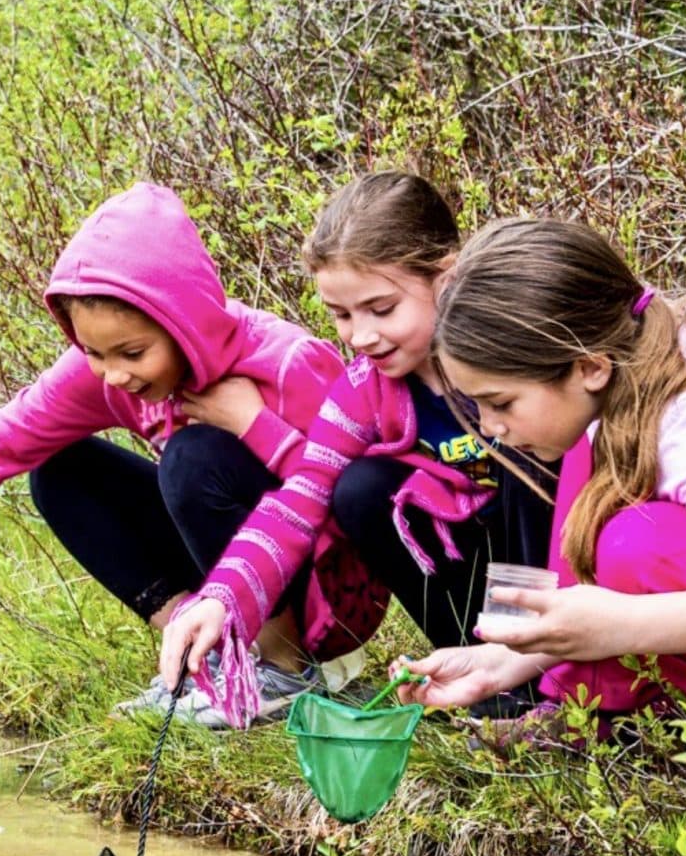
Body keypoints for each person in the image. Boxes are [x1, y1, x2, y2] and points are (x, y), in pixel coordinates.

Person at [0, 182, 389, 727]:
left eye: (133, 353)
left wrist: (254, 427)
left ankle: (284, 671)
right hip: (226, 574)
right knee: (62, 470)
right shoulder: (109, 375)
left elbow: (351, 500)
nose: (114, 374)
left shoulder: (286, 362)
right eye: (93, 352)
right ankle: (204, 658)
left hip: (328, 584)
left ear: (185, 325)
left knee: (193, 458)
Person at [390, 217, 686, 720]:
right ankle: (586, 702)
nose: (490, 429)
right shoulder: (636, 358)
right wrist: (502, 661)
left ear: (589, 367)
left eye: (501, 403)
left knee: (639, 546)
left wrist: (623, 624)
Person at [162, 173, 557, 729]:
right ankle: (477, 673)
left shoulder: (521, 355)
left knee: (526, 456)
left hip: (560, 556)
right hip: (472, 571)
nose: (361, 336)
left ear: (446, 278)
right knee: (362, 489)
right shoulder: (365, 391)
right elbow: (299, 499)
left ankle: (550, 682)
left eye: (381, 308)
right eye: (342, 315)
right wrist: (220, 599)